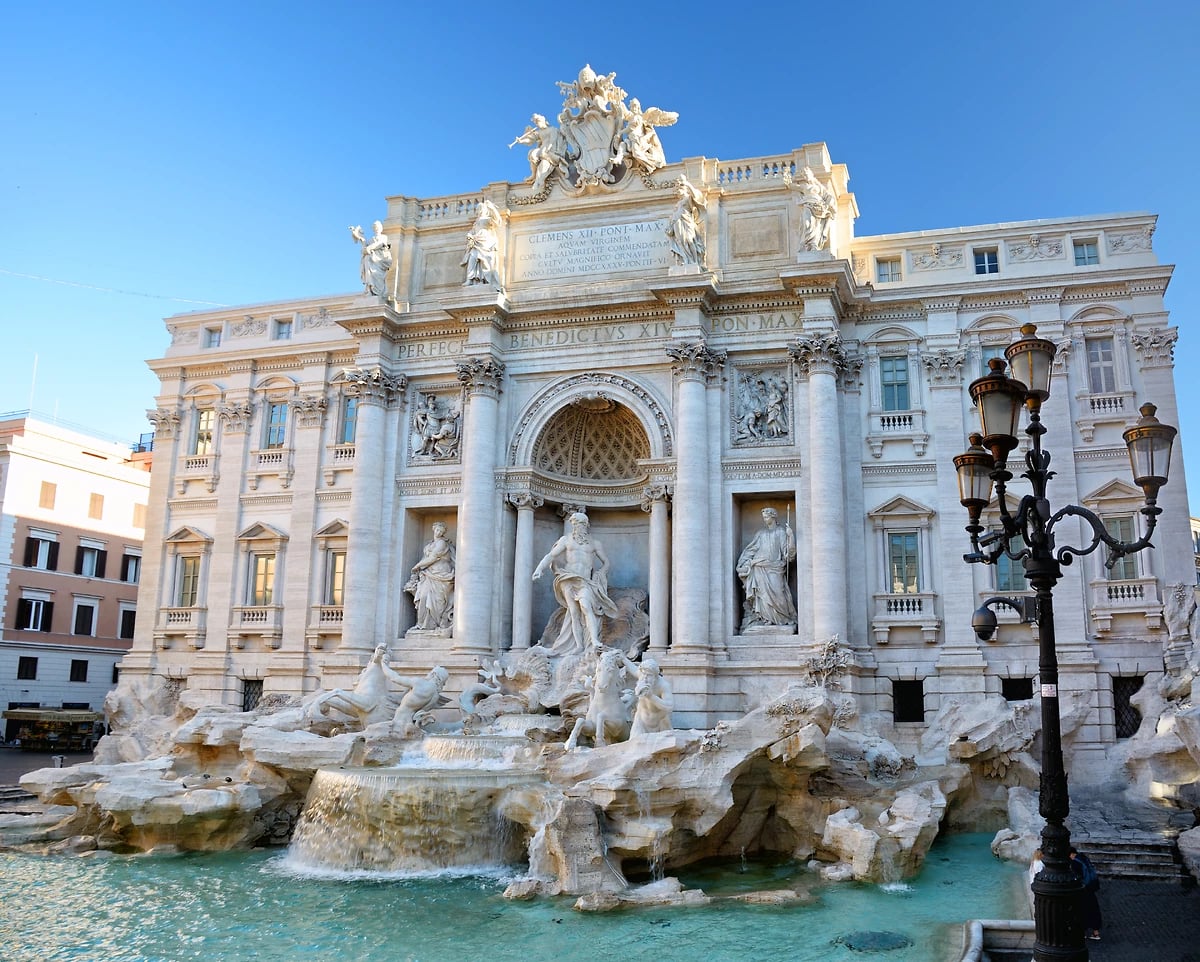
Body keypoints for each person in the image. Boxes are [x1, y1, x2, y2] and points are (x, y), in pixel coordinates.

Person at [532, 512, 618, 654]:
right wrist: (539, 569)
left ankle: (594, 641)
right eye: (574, 524)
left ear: (586, 525)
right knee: (574, 613)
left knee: (586, 606)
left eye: (579, 524)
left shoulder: (594, 543)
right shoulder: (566, 540)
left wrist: (602, 572)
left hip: (584, 581)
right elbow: (551, 555)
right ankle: (579, 646)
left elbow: (606, 562)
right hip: (568, 578)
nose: (577, 527)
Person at [736, 506, 798, 629]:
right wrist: (743, 562)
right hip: (759, 567)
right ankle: (766, 619)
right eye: (763, 517)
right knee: (762, 595)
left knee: (779, 594)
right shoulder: (761, 533)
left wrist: (791, 537)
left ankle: (782, 618)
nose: (765, 519)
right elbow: (751, 549)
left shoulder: (781, 532)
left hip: (775, 567)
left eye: (766, 517)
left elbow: (787, 554)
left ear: (773, 517)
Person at [405, 522, 456, 632]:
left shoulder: (442, 543)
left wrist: (417, 566)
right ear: (433, 529)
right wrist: (420, 569)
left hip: (441, 573)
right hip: (428, 573)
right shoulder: (429, 544)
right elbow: (426, 558)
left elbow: (433, 558)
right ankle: (422, 624)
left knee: (438, 600)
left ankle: (435, 624)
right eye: (437, 530)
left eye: (441, 531)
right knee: (423, 596)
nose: (439, 533)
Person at [510, 114, 569, 192]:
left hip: (552, 151)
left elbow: (553, 140)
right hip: (542, 149)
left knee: (544, 164)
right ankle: (533, 174)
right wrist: (521, 141)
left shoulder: (553, 129)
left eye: (538, 121)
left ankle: (538, 182)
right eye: (536, 123)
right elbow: (531, 140)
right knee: (532, 154)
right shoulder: (539, 132)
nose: (537, 124)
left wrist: (548, 149)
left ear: (543, 121)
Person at [784, 167, 837, 252]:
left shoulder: (818, 186)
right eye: (804, 175)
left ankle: (813, 244)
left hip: (819, 207)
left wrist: (827, 205)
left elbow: (828, 196)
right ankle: (806, 244)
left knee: (817, 226)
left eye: (806, 174)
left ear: (811, 174)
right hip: (807, 205)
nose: (805, 176)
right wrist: (786, 174)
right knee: (807, 223)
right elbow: (790, 185)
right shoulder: (804, 186)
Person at [665, 176, 705, 267]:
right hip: (677, 223)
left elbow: (696, 196)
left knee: (689, 240)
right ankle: (686, 259)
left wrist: (688, 184)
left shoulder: (688, 198)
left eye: (679, 189)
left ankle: (694, 261)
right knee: (680, 241)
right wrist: (670, 226)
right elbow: (674, 216)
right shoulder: (678, 203)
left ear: (684, 189)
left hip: (686, 222)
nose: (677, 192)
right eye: (676, 190)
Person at [462, 200, 503, 287]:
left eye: (480, 209)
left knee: (485, 262)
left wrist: (492, 208)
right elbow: (473, 231)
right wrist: (470, 235)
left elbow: (498, 221)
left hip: (485, 243)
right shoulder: (476, 222)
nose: (478, 211)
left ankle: (485, 279)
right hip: (476, 242)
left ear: (485, 210)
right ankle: (470, 279)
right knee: (472, 259)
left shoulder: (487, 219)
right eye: (477, 209)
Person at [349, 220, 393, 297]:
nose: (376, 228)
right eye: (375, 227)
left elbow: (380, 244)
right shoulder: (371, 239)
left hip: (379, 259)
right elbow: (365, 245)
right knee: (367, 261)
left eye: (377, 227)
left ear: (381, 228)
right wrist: (359, 236)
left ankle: (378, 292)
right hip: (371, 259)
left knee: (377, 275)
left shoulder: (384, 237)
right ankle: (370, 289)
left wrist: (369, 248)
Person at [1069, 847, 1103, 941]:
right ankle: (1096, 932)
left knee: (1081, 910)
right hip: (1091, 887)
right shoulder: (1083, 858)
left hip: (1083, 890)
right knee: (1093, 909)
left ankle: (1082, 932)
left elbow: (1077, 877)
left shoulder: (1075, 863)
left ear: (1071, 854)